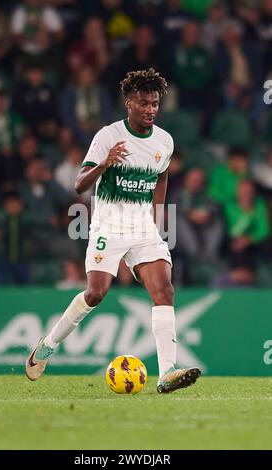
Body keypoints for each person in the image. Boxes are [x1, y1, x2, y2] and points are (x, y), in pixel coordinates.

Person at [26, 68, 201, 393]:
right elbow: (79, 186)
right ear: (128, 102)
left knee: (164, 291)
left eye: (155, 104)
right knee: (96, 294)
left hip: (143, 228)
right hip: (108, 225)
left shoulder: (164, 140)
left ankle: (166, 373)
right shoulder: (108, 136)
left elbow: (162, 175)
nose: (150, 109)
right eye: (144, 103)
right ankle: (48, 345)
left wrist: (159, 214)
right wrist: (104, 163)